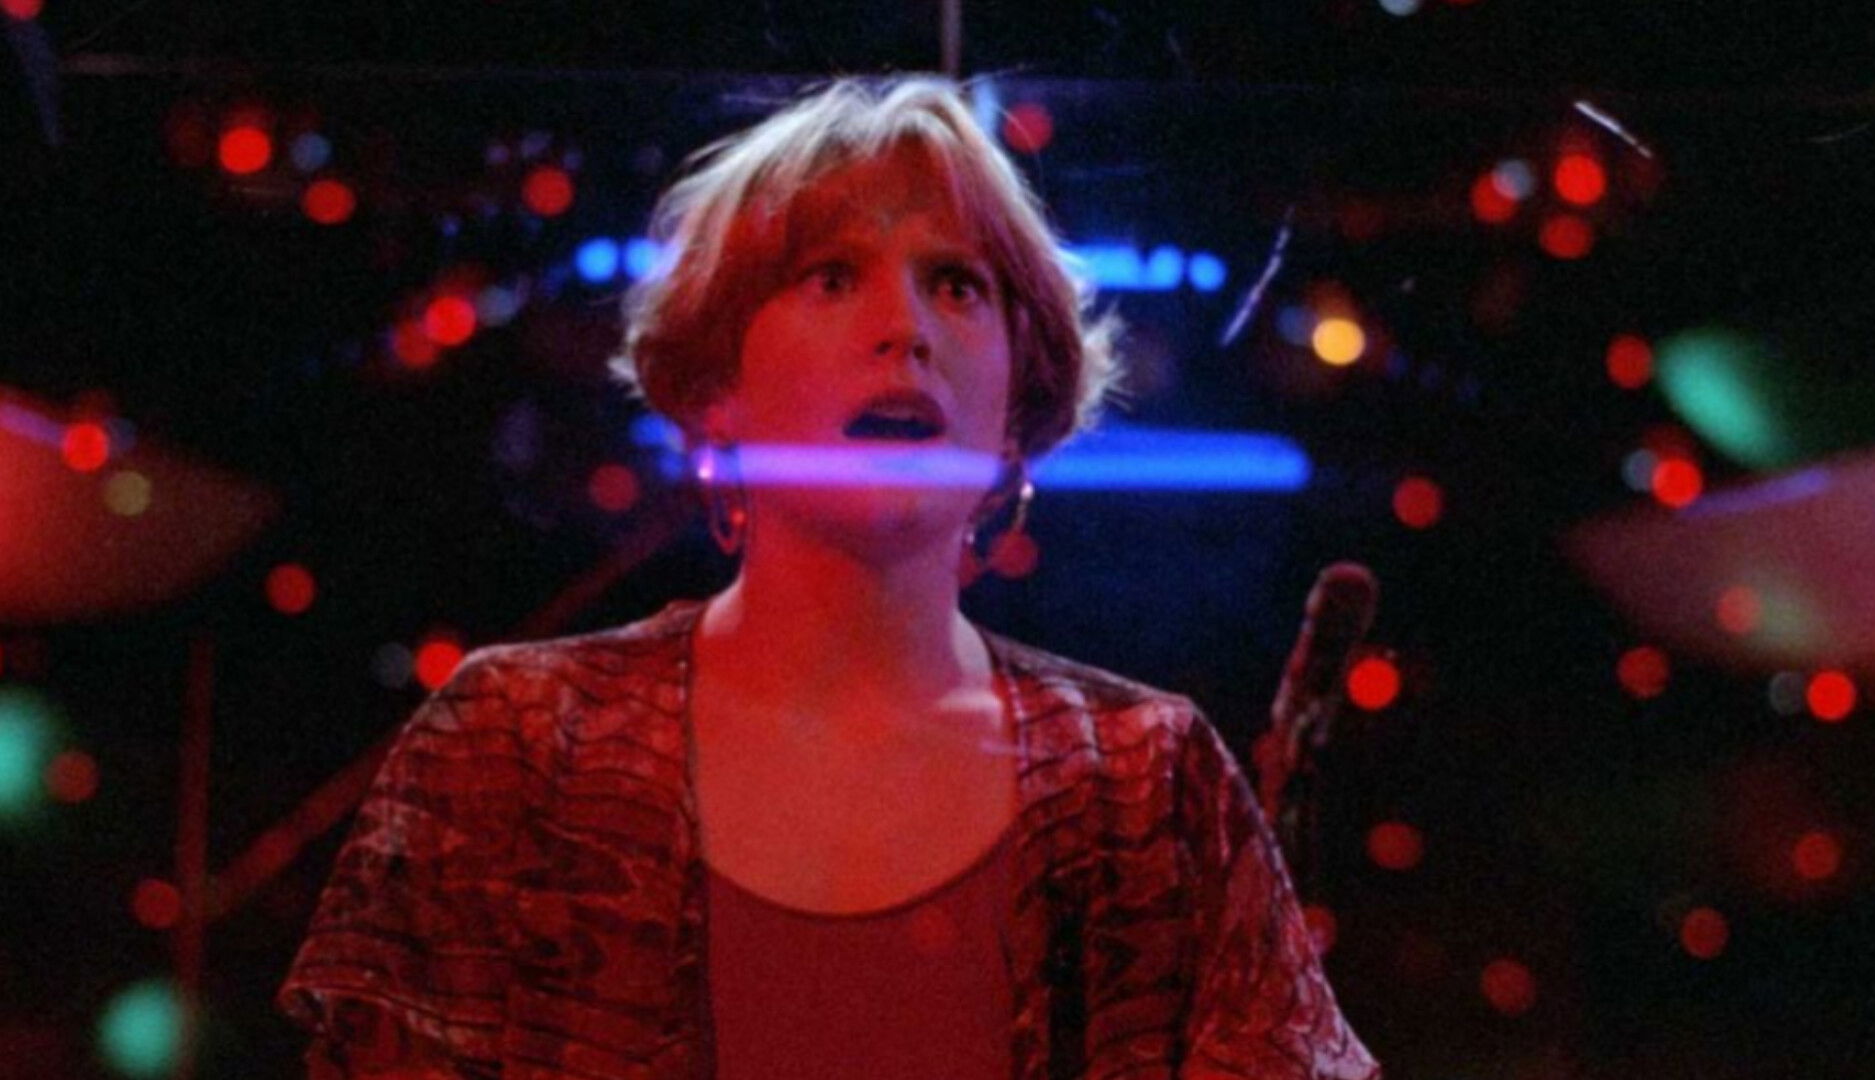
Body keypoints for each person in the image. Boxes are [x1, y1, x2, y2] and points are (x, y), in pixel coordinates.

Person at [279, 75, 1381, 1079]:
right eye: (833, 276)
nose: (904, 329)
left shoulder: (1148, 787)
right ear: (716, 381)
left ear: (1018, 401)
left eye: (956, 284)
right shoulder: (514, 748)